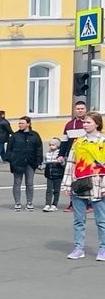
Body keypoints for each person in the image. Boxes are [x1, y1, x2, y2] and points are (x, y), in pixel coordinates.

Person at [66, 111, 105, 260]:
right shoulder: (78, 142)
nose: (85, 125)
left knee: (101, 220)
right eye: (84, 122)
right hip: (79, 183)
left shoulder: (103, 141)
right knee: (78, 220)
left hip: (98, 184)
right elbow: (71, 163)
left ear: (97, 123)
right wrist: (67, 184)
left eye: (88, 122)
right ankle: (78, 248)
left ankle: (103, 249)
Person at [6, 116, 43, 211]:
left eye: (22, 123)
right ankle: (17, 203)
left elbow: (39, 149)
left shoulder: (35, 135)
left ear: (28, 124)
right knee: (17, 182)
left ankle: (29, 202)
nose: (20, 125)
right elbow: (9, 150)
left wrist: (39, 161)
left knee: (29, 183)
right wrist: (11, 160)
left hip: (30, 162)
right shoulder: (15, 136)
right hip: (17, 162)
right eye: (19, 123)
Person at [43, 137, 66, 212]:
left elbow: (63, 164)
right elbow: (45, 162)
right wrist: (42, 166)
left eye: (53, 145)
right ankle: (47, 204)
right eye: (50, 145)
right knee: (49, 190)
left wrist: (62, 162)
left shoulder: (60, 154)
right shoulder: (47, 153)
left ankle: (54, 204)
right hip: (49, 174)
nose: (51, 146)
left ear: (57, 145)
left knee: (56, 190)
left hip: (58, 174)